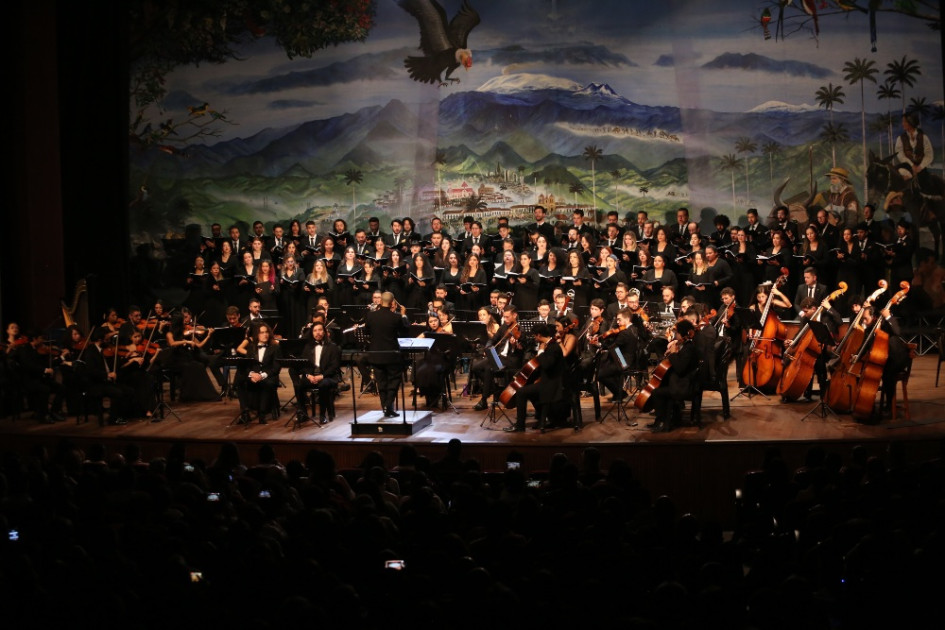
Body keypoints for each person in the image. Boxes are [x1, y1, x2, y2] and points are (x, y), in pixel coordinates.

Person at [508, 323, 567, 432]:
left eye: (535, 336)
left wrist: (540, 352)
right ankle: (542, 418)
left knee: (521, 392)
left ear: (539, 335)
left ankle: (520, 426)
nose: (535, 338)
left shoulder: (553, 347)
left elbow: (546, 365)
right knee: (529, 390)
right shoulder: (549, 345)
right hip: (547, 381)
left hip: (552, 384)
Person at [644, 318, 698, 433]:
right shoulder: (686, 346)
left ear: (683, 334)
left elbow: (680, 369)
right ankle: (665, 421)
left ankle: (662, 422)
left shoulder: (689, 348)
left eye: (677, 332)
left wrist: (673, 354)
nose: (675, 335)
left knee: (656, 393)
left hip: (683, 386)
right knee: (660, 388)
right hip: (680, 383)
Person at [364, 292, 410, 418]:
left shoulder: (371, 316)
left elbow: (367, 331)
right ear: (391, 303)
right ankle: (388, 405)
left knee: (381, 383)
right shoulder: (396, 317)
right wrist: (403, 315)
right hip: (392, 355)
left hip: (376, 355)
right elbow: (405, 331)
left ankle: (386, 407)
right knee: (394, 381)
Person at [472, 305, 523, 411]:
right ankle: (494, 389)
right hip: (500, 357)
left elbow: (524, 348)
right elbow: (493, 339)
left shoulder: (521, 328)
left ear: (515, 315)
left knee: (488, 368)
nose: (505, 319)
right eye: (504, 317)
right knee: (475, 367)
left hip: (511, 360)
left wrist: (516, 345)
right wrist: (488, 347)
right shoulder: (504, 326)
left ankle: (484, 399)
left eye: (508, 317)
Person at [293, 321, 341, 425]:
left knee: (323, 385)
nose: (317, 333)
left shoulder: (332, 347)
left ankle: (322, 415)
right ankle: (303, 413)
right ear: (312, 333)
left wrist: (321, 376)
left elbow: (334, 366)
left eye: (320, 330)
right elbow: (303, 364)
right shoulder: (308, 347)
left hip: (328, 377)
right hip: (312, 376)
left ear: (324, 332)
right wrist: (308, 375)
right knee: (299, 385)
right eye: (315, 330)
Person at [234, 321, 281, 424]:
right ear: (257, 335)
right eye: (261, 332)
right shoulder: (251, 347)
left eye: (266, 332)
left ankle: (262, 414)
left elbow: (276, 367)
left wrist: (262, 375)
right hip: (255, 375)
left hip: (269, 376)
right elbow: (248, 364)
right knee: (240, 381)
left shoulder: (275, 347)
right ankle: (245, 413)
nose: (265, 334)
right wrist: (251, 374)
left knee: (265, 383)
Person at [895, 111, 934, 193]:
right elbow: (900, 155)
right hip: (906, 167)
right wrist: (912, 165)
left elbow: (929, 155)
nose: (903, 124)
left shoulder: (923, 137)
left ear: (910, 122)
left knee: (927, 187)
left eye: (904, 121)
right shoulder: (900, 139)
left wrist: (920, 167)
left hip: (921, 169)